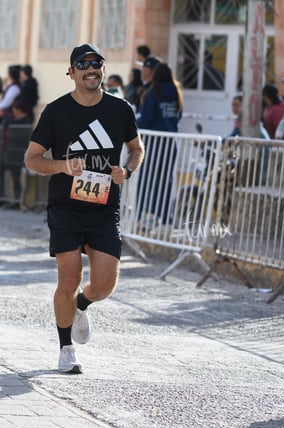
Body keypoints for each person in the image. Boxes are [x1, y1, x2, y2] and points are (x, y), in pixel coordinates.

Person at [24, 43, 145, 374]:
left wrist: (128, 170)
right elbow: (32, 159)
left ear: (103, 69)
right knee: (69, 276)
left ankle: (81, 306)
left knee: (105, 283)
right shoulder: (56, 110)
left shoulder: (120, 109)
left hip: (105, 207)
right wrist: (63, 166)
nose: (90, 69)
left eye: (97, 63)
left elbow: (136, 149)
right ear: (72, 71)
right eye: (83, 64)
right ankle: (65, 349)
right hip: (66, 206)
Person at [136, 62, 183, 225]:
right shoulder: (176, 93)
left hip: (154, 144)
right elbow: (178, 116)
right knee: (165, 181)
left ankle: (139, 215)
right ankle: (163, 217)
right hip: (171, 143)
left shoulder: (153, 93)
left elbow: (145, 119)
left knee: (145, 179)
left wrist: (133, 120)